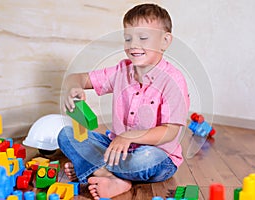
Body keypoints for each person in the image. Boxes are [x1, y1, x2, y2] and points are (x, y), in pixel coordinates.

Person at [58, 3, 190, 200]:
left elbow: (170, 131)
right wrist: (74, 87)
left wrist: (129, 136)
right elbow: (75, 78)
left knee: (144, 160)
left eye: (143, 38)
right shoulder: (121, 70)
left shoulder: (174, 80)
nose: (133, 45)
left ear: (165, 41)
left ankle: (90, 167)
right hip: (117, 147)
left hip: (158, 155)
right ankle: (111, 177)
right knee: (66, 134)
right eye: (128, 38)